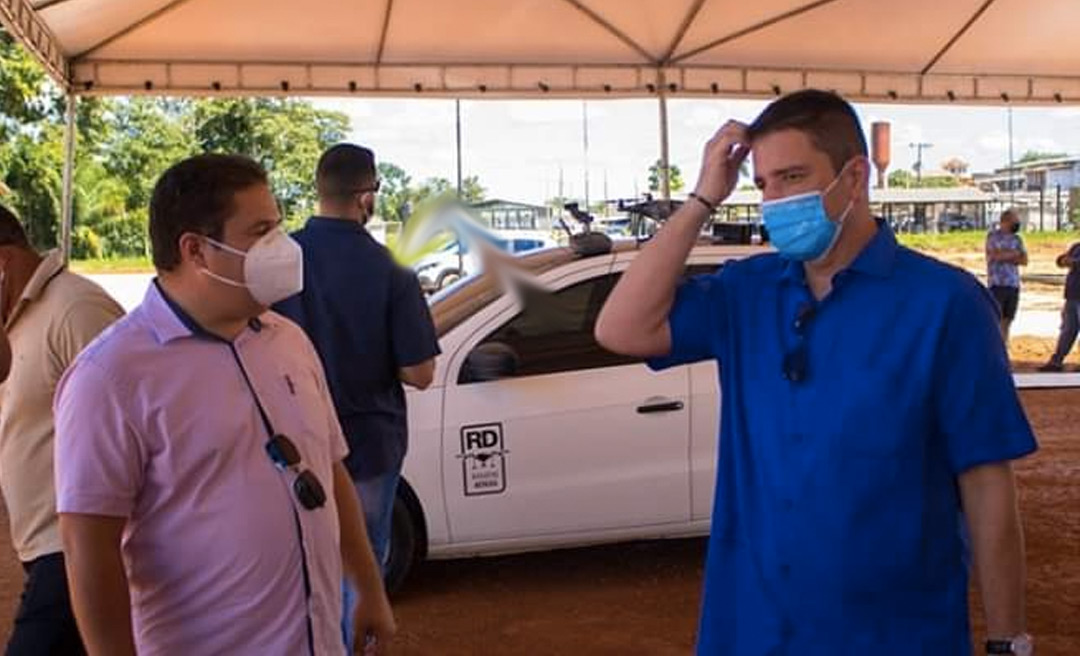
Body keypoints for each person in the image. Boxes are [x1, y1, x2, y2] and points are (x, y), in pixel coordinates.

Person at [596, 90, 1037, 655]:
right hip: (753, 629)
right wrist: (704, 197)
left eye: (792, 177)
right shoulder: (746, 292)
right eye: (763, 185)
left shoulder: (944, 304)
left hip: (893, 633)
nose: (775, 200)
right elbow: (622, 329)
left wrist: (1008, 642)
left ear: (855, 178)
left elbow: (986, 484)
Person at [53, 154, 395, 656]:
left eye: (278, 227)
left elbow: (329, 470)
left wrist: (367, 586)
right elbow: (89, 545)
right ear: (196, 250)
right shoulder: (110, 377)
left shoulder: (289, 341)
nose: (281, 247)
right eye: (260, 232)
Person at [273, 144, 439, 650]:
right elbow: (420, 372)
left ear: (319, 190)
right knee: (360, 565)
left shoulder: (280, 263)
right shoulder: (392, 270)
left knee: (295, 567)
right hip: (368, 444)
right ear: (367, 197)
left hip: (288, 445)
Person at [0, 204, 124, 655]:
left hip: (72, 545)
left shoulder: (76, 309)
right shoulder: (12, 318)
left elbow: (131, 418)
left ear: (3, 261)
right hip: (39, 546)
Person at [1038, 239, 1080, 372]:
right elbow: (1060, 260)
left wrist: (1072, 261)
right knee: (1067, 329)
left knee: (1069, 328)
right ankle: (1056, 361)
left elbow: (1069, 261)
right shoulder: (1077, 246)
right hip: (1072, 295)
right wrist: (1065, 260)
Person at [986, 209, 1028, 341]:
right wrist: (1014, 254)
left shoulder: (1017, 239)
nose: (1017, 223)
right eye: (1014, 221)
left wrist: (1006, 254)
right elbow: (995, 256)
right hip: (997, 284)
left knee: (1007, 321)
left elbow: (1024, 260)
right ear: (1005, 222)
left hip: (1013, 284)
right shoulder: (993, 236)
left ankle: (1003, 349)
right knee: (995, 320)